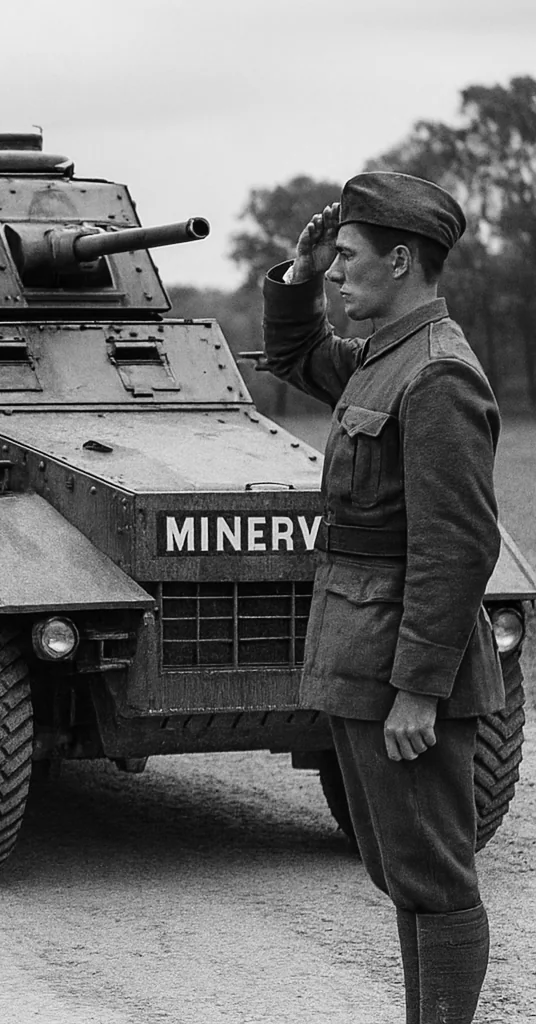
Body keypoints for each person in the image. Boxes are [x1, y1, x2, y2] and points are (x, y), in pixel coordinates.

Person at [262, 173, 504, 1024]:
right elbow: (293, 358)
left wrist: (418, 690)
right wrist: (295, 273)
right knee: (400, 872)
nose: (333, 271)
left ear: (401, 261)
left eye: (347, 257)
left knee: (434, 879)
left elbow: (458, 545)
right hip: (363, 652)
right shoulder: (383, 358)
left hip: (402, 668)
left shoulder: (437, 377)